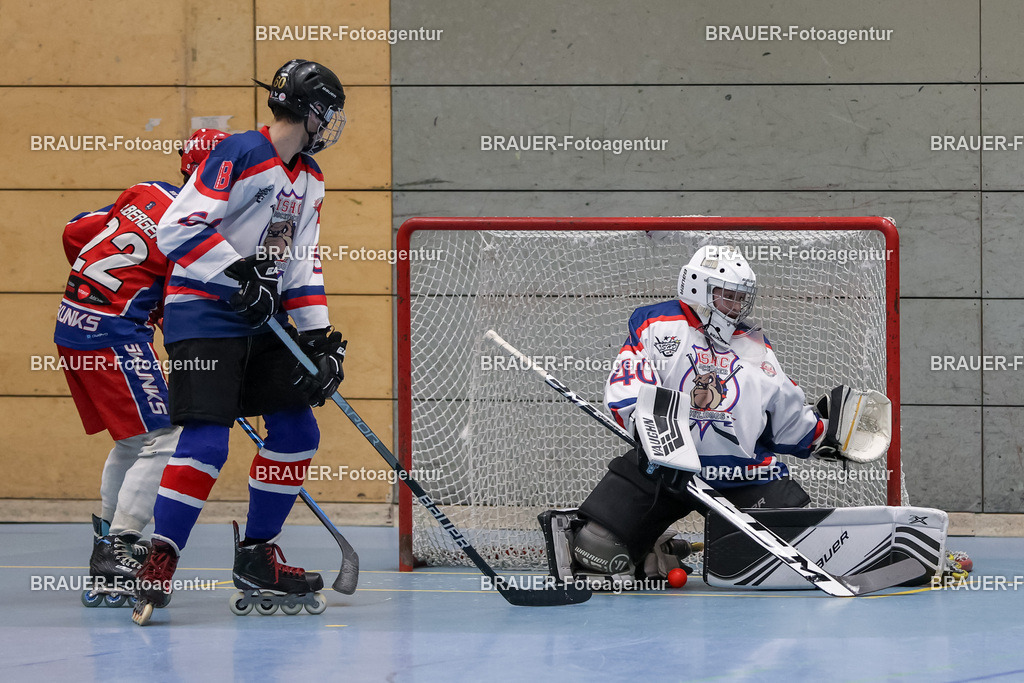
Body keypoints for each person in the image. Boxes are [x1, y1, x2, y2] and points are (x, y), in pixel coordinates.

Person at [131, 59, 348, 625]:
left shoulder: (311, 179)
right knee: (208, 441)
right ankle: (161, 556)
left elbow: (300, 261)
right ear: (312, 110)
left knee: (298, 429)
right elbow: (177, 227)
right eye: (329, 113)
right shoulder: (241, 152)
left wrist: (319, 337)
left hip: (261, 317)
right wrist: (237, 274)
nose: (332, 125)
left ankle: (257, 554)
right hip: (202, 314)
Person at [55, 128, 227, 607]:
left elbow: (75, 231)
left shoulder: (144, 193)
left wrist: (106, 288)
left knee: (134, 438)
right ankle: (122, 548)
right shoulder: (195, 230)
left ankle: (107, 545)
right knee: (167, 435)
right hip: (113, 333)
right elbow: (180, 305)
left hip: (72, 321)